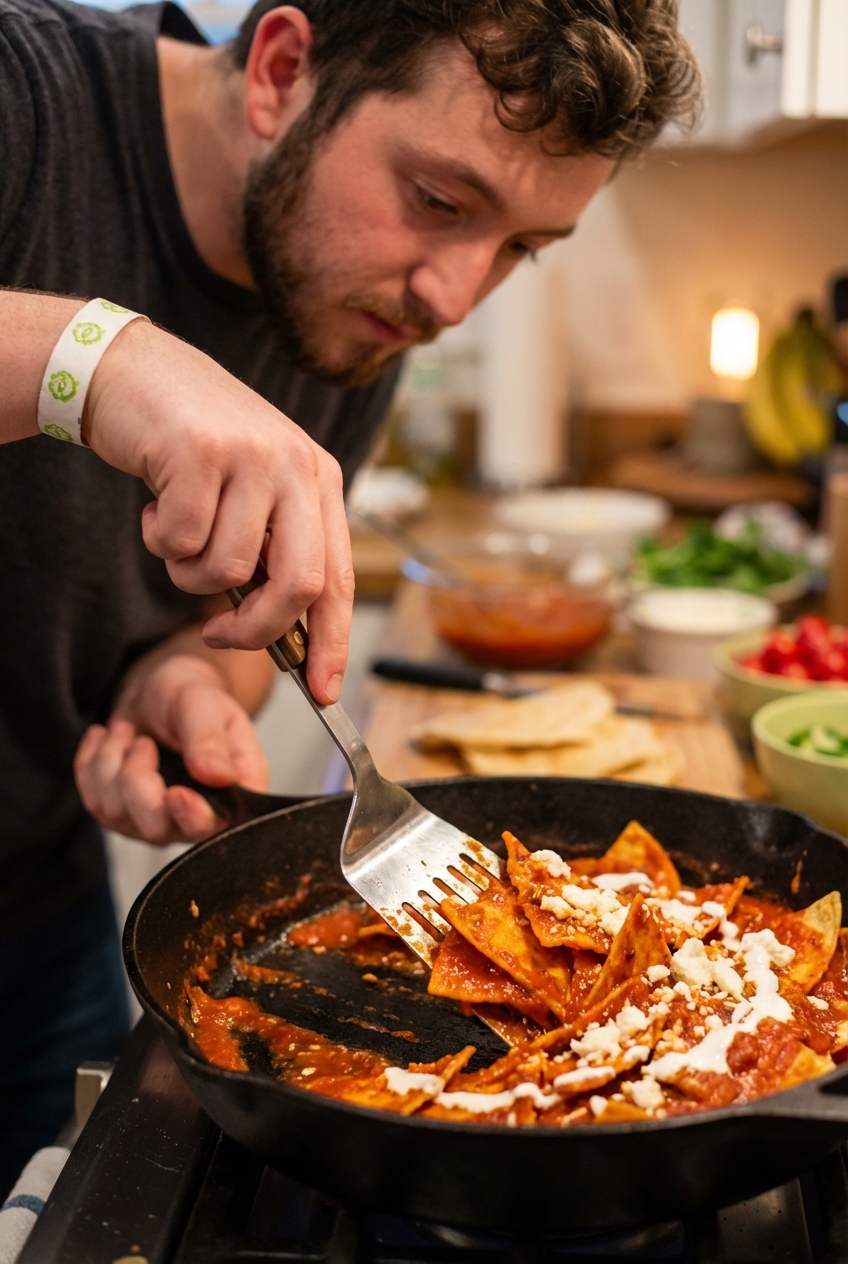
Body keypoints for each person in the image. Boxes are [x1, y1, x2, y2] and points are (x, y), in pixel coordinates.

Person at [0, 0, 699, 1193]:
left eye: (521, 246)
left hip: (34, 908)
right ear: (280, 69)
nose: (455, 296)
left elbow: (218, 615)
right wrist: (103, 360)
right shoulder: (25, 100)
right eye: (439, 201)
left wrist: (181, 671)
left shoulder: (359, 304)